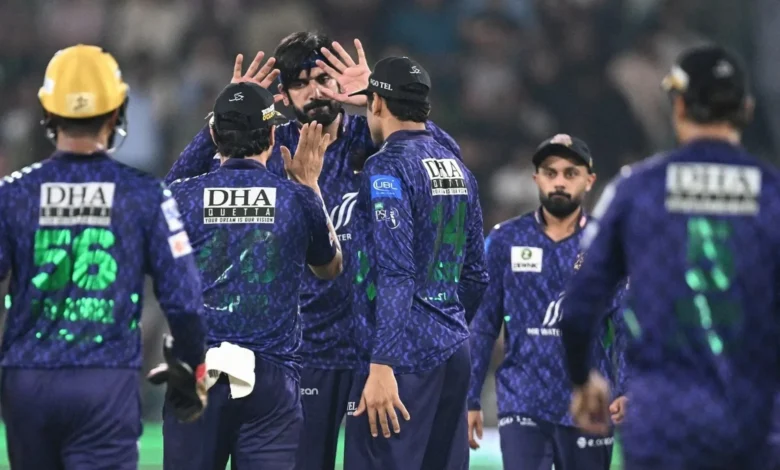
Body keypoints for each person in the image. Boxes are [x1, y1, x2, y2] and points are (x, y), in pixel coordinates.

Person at [165, 33, 463, 470]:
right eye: (301, 83)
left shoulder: (376, 140)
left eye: (324, 78)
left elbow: (448, 162)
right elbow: (178, 189)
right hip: (302, 354)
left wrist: (384, 101)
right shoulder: (268, 148)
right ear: (283, 97)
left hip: (375, 350)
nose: (316, 91)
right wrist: (229, 114)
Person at [560, 45, 780, 470]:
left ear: (678, 106)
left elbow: (581, 303)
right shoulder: (773, 196)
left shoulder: (636, 189)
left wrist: (583, 380)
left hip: (663, 422)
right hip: (755, 420)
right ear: (746, 109)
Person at [0, 44, 207, 470]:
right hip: (105, 381)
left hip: (27, 380)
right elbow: (185, 299)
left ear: (49, 113)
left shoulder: (13, 194)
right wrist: (193, 366)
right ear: (117, 113)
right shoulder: (144, 195)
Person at [161, 81, 342, 470]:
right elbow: (330, 267)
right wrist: (311, 186)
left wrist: (205, 139)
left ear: (215, 136)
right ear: (273, 135)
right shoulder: (296, 198)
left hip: (197, 370)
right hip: (271, 379)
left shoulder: (182, 197)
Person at [340, 56, 489, 470]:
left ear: (376, 103)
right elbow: (476, 274)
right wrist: (447, 324)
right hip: (453, 351)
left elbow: (396, 270)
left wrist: (383, 362)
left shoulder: (385, 166)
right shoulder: (457, 167)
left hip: (401, 361)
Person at [466, 134, 628, 470]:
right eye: (550, 172)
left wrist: (626, 387)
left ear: (589, 180)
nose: (559, 182)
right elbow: (483, 324)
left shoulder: (607, 243)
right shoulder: (505, 240)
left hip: (587, 403)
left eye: (571, 173)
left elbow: (626, 322)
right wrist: (471, 398)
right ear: (536, 178)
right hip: (523, 402)